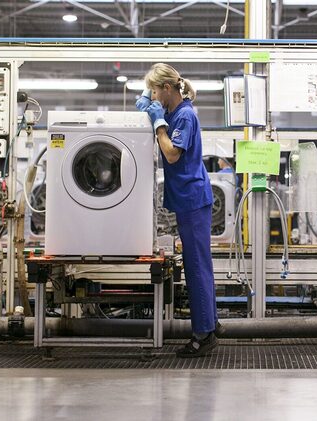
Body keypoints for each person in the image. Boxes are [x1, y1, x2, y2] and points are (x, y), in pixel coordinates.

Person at [136, 63, 221, 358]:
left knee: (196, 267)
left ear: (168, 89)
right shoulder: (174, 111)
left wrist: (158, 122)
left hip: (194, 199)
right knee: (198, 263)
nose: (154, 95)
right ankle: (211, 324)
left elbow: (172, 154)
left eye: (156, 90)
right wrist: (149, 107)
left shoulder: (184, 115)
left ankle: (203, 336)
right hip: (187, 198)